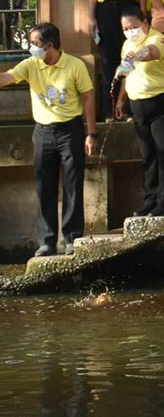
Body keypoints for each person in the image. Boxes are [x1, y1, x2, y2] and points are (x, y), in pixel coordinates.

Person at [0, 23, 96, 256]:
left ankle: (72, 237)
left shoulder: (75, 65)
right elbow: (6, 78)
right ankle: (47, 240)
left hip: (70, 130)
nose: (31, 47)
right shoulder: (31, 64)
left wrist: (91, 133)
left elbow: (88, 97)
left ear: (49, 45)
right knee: (44, 186)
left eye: (35, 43)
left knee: (73, 184)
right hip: (43, 131)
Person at [114, 6, 164, 217]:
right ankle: (150, 199)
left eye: (133, 27)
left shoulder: (158, 39)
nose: (130, 32)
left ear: (145, 23)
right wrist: (121, 98)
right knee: (148, 155)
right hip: (138, 104)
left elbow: (150, 53)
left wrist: (136, 56)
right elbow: (126, 72)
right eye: (125, 29)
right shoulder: (127, 44)